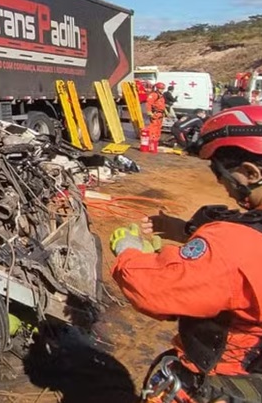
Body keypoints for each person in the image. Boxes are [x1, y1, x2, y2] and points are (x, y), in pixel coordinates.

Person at [110, 106, 262, 402]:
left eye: (221, 175)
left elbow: (155, 291)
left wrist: (129, 249)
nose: (224, 187)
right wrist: (185, 231)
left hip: (226, 382)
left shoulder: (229, 244)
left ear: (250, 172)